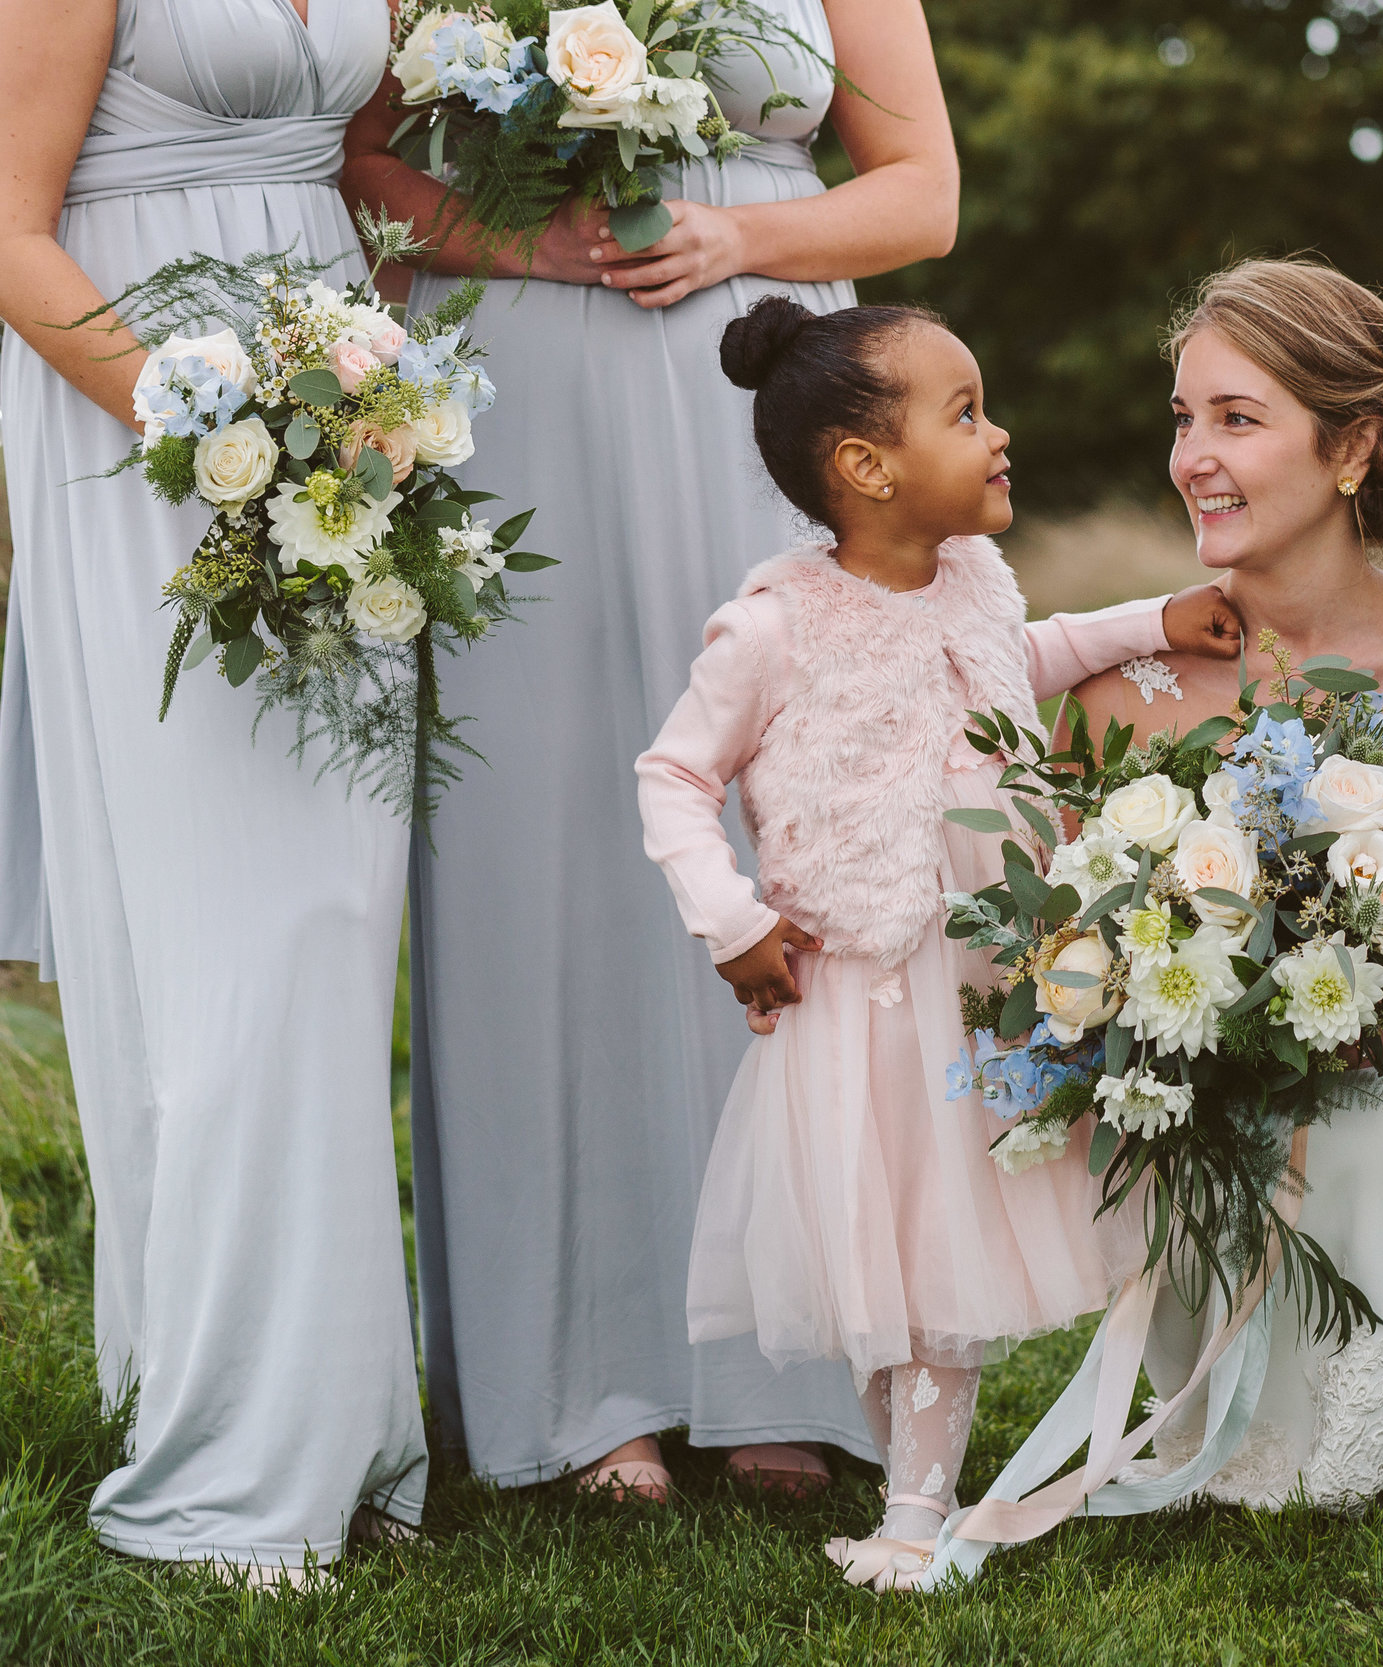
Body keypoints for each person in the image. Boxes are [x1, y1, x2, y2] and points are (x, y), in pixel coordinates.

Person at [340, 0, 960, 1499]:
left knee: (787, 827)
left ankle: (786, 1361)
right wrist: (533, 248)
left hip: (761, 388)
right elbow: (356, 167)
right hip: (516, 390)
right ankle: (574, 1370)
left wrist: (736, 239)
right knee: (539, 852)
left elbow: (923, 194)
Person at [639, 295, 1241, 1589]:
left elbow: (1016, 659)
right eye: (965, 412)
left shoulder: (971, 579)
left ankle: (917, 1505)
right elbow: (672, 777)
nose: (999, 431)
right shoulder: (777, 624)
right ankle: (914, 1507)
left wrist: (1152, 621)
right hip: (860, 978)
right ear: (867, 466)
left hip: (982, 970)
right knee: (885, 1239)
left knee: (941, 1230)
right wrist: (735, 920)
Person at [0, 0, 419, 1581]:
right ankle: (233, 1439)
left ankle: (340, 1412)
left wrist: (365, 411)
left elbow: (363, 172)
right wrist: (214, 427)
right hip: (148, 441)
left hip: (350, 444)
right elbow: (8, 232)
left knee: (324, 921)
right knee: (223, 928)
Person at [1062, 260, 1383, 1510]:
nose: (1194, 454)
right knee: (1183, 1139)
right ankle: (1227, 1419)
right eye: (1183, 418)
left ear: (1351, 445)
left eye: (1237, 419)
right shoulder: (1121, 684)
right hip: (1204, 1073)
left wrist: (1338, 996)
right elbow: (1077, 943)